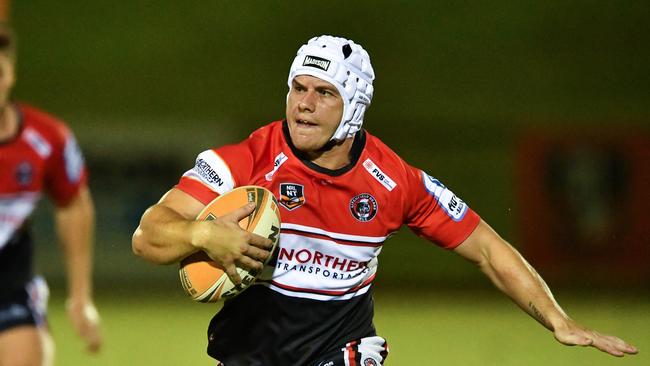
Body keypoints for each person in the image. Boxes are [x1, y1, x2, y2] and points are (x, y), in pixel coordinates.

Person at [132, 35, 638, 365]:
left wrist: (559, 320)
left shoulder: (396, 182)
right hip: (247, 354)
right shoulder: (247, 159)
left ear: (353, 106)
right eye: (297, 88)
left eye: (323, 92)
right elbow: (148, 234)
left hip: (343, 352)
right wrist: (201, 233)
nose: (303, 104)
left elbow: (486, 247)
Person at [0, 25, 102, 366]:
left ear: (11, 72)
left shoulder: (47, 139)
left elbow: (73, 204)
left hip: (8, 283)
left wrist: (79, 296)